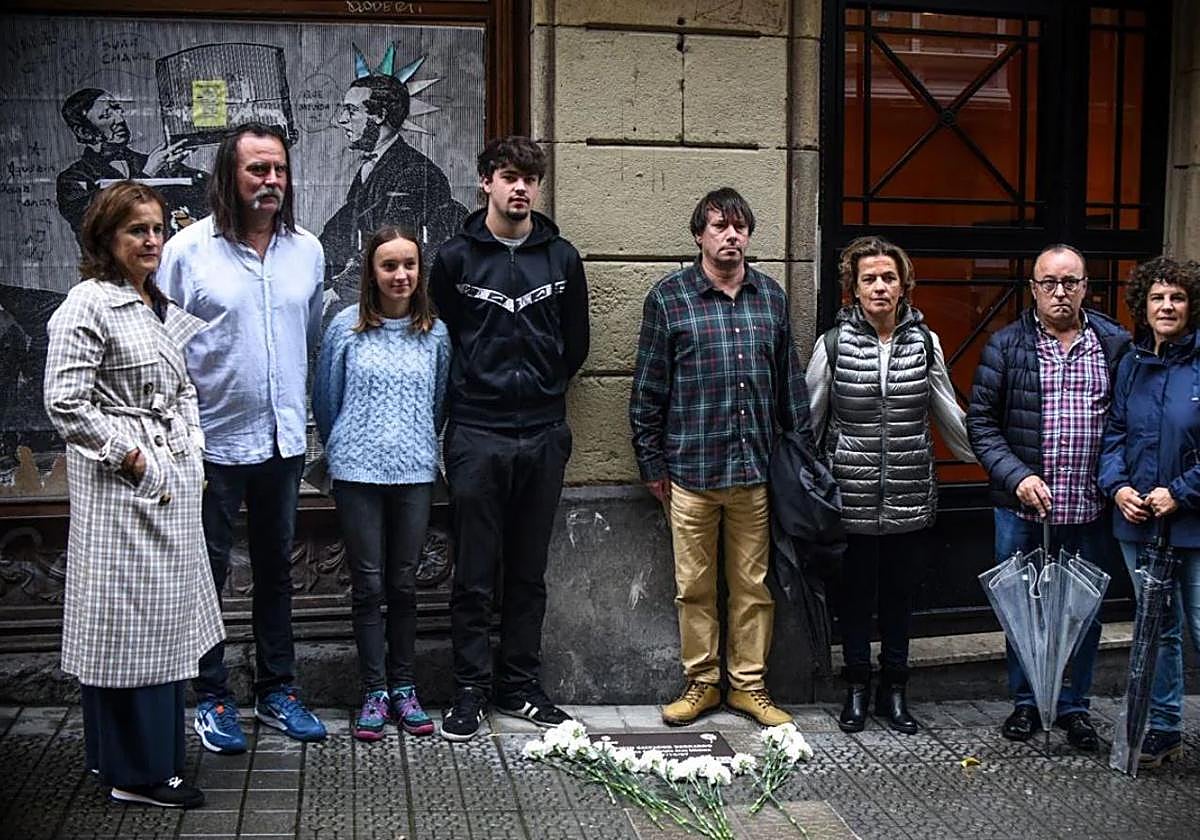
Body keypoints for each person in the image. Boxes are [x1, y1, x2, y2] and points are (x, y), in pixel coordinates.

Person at [43, 180, 223, 808]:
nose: (152, 240)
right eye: (136, 231)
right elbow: (64, 402)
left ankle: (138, 761)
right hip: (124, 495)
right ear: (105, 238)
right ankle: (140, 773)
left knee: (162, 627)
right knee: (131, 629)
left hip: (167, 483)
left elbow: (179, 389)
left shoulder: (150, 300)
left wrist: (191, 448)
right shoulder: (85, 305)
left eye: (157, 228)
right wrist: (135, 459)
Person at [158, 122, 327, 753]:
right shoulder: (186, 252)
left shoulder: (305, 250)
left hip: (283, 443)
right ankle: (211, 696)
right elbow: (163, 347)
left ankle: (277, 690)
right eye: (258, 170)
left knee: (276, 570)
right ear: (228, 175)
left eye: (279, 170)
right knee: (207, 574)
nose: (271, 182)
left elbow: (307, 335)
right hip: (211, 447)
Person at [629, 187, 811, 728]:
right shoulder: (669, 299)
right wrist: (652, 465)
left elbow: (790, 387)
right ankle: (703, 683)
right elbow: (647, 392)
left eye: (739, 227)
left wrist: (798, 459)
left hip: (754, 474)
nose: (730, 236)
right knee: (695, 587)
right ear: (699, 236)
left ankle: (749, 686)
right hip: (690, 473)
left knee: (754, 588)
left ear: (749, 236)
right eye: (718, 227)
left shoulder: (771, 298)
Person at [430, 135, 589, 741]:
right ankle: (468, 690)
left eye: (529, 178)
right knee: (473, 573)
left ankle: (519, 686)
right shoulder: (455, 260)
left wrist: (544, 390)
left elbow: (575, 344)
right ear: (485, 184)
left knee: (527, 573)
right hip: (476, 433)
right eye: (507, 176)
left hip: (543, 433)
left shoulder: (562, 258)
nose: (519, 187)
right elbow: (441, 341)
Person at [805, 236, 974, 735]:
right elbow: (811, 423)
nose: (879, 287)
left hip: (908, 493)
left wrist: (998, 463)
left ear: (904, 286)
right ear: (852, 290)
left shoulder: (925, 343)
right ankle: (856, 688)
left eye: (888, 278)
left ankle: (894, 691)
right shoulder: (832, 345)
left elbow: (947, 412)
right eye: (869, 279)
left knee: (900, 599)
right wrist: (807, 486)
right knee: (857, 598)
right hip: (850, 497)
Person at [968, 243, 1130, 751]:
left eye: (1071, 282)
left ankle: (1074, 707)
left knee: (1083, 612)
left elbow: (1126, 425)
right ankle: (1025, 702)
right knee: (1023, 607)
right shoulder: (1006, 345)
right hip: (1023, 507)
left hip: (1090, 508)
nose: (1060, 293)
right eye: (1049, 283)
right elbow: (982, 424)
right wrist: (1016, 477)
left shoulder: (1115, 344)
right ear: (1034, 288)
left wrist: (1116, 480)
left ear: (1086, 286)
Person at [313, 225, 450, 741]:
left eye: (409, 265)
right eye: (389, 265)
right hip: (356, 473)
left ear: (420, 270)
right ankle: (373, 692)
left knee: (405, 582)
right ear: (372, 271)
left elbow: (438, 404)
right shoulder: (346, 327)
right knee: (369, 584)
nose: (400, 275)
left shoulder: (434, 332)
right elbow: (325, 401)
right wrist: (350, 444)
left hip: (414, 472)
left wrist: (410, 442)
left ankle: (404, 688)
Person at [1099, 256, 1200, 767]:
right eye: (1158, 297)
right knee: (1157, 628)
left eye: (1177, 297)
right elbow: (1113, 432)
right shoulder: (1131, 363)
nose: (1167, 306)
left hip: (1193, 521)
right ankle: (1164, 728)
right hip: (1137, 520)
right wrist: (1117, 487)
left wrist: (1180, 492)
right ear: (1143, 305)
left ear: (1191, 306)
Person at [320, 70, 468, 315]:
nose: (341, 120)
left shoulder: (417, 173)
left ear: (379, 115)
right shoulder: (374, 166)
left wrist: (339, 289)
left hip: (406, 311)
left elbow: (391, 245)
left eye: (352, 111)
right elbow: (339, 232)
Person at [56, 88, 209, 240]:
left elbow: (213, 197)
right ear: (84, 132)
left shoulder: (150, 163)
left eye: (117, 109)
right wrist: (147, 175)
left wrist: (179, 174)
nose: (120, 119)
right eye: (106, 115)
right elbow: (105, 224)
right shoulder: (73, 180)